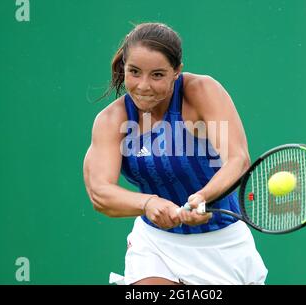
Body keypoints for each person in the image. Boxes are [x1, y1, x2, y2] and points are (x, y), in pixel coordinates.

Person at [83, 22, 268, 285]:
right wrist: (148, 204)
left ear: (176, 72)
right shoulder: (111, 120)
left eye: (157, 75)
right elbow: (100, 193)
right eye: (134, 72)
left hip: (223, 246)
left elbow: (237, 160)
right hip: (155, 245)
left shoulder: (202, 92)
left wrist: (203, 197)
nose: (143, 86)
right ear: (124, 68)